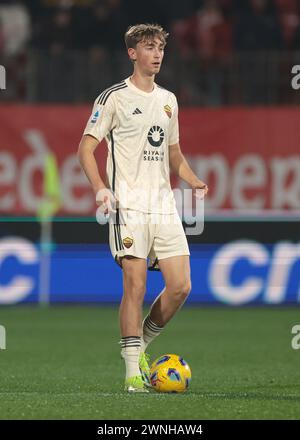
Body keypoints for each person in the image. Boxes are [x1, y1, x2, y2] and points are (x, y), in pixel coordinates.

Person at [78, 23, 208, 393]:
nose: (157, 54)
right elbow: (85, 148)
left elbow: (174, 154)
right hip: (129, 205)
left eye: (161, 48)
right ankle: (132, 373)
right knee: (135, 285)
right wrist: (101, 188)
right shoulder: (113, 98)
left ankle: (143, 346)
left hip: (163, 205)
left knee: (181, 286)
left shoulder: (169, 100)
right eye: (149, 47)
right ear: (133, 53)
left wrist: (192, 179)